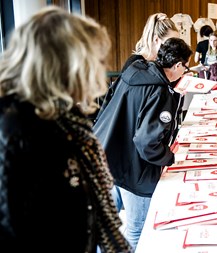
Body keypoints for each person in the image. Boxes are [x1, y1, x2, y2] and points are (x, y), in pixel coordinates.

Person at [0, 6, 131, 253]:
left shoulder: (67, 117)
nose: (97, 71)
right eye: (92, 62)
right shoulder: (13, 128)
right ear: (63, 66)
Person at [93, 38, 193, 249]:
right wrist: (169, 157)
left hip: (108, 154)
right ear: (177, 66)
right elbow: (146, 142)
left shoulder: (134, 70)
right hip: (133, 168)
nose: (184, 72)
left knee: (106, 225)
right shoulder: (159, 91)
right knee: (137, 228)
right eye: (185, 67)